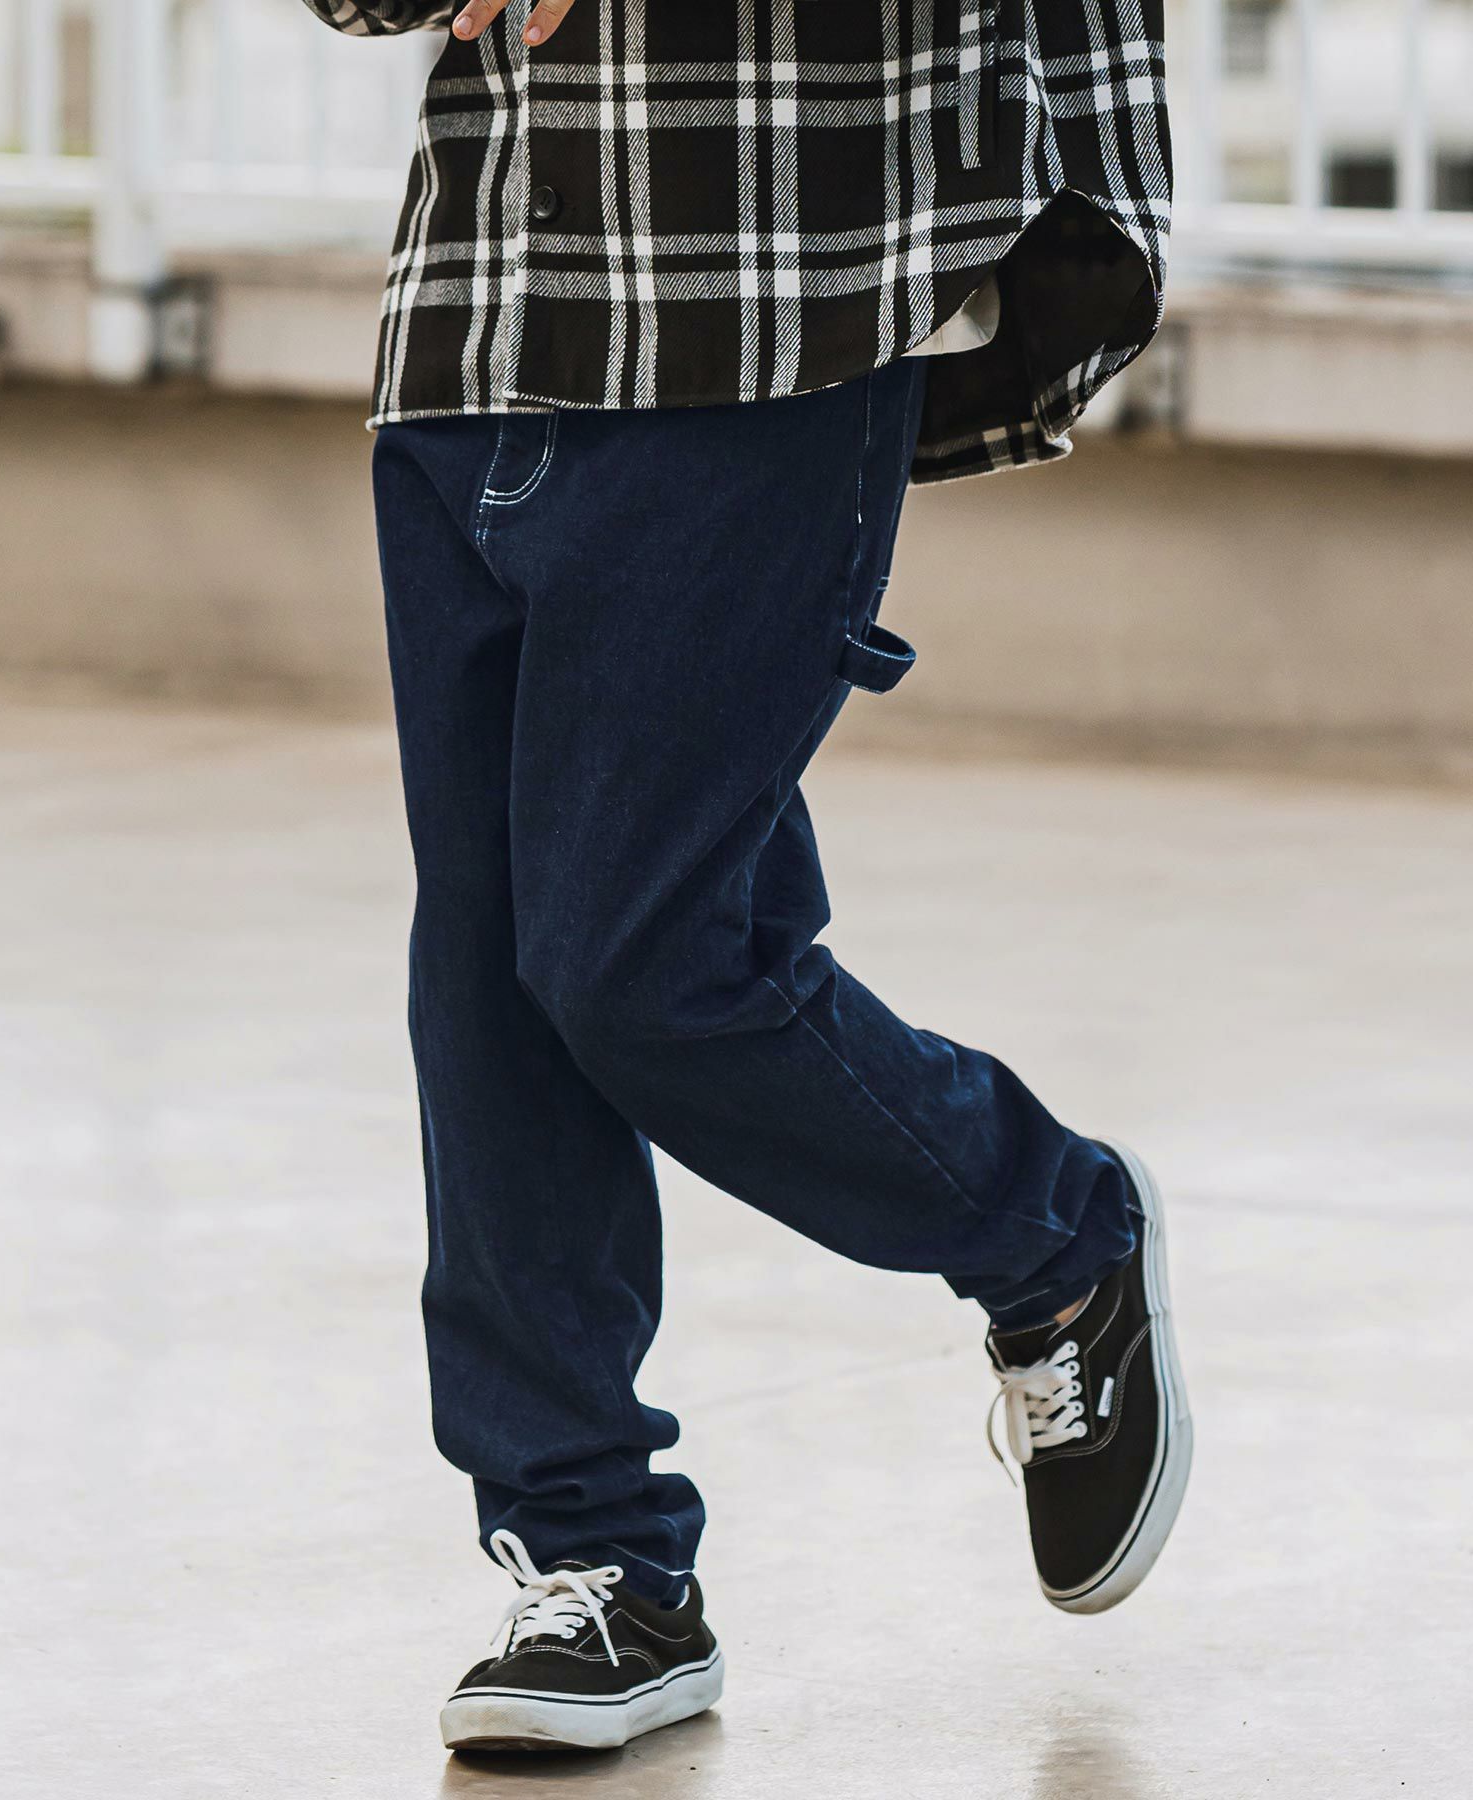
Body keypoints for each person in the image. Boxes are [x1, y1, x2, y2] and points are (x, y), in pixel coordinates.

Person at [302, 0, 1189, 1755]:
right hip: (477, 319)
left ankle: (1053, 1231)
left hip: (763, 308)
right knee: (489, 976)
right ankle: (595, 1559)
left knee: (637, 960)